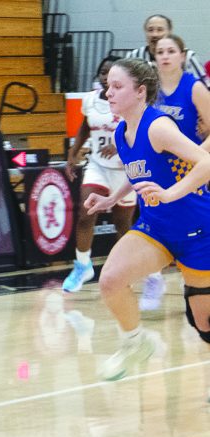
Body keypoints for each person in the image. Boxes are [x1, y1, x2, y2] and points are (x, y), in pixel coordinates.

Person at [83, 58, 210, 381]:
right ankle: (135, 343)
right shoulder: (123, 131)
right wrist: (113, 198)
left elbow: (206, 163)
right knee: (111, 279)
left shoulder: (159, 126)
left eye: (117, 86)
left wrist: (171, 193)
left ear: (140, 92)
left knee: (204, 322)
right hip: (156, 228)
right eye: (107, 86)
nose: (108, 93)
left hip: (199, 230)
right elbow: (140, 170)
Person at [134, 35, 210, 310]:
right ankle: (154, 278)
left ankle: (198, 286)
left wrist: (198, 154)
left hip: (190, 166)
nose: (164, 56)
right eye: (160, 51)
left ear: (182, 55)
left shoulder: (194, 87)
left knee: (194, 225)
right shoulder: (150, 89)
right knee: (153, 219)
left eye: (171, 51)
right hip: (158, 167)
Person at [63, 55, 136, 293]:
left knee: (122, 224)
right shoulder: (90, 100)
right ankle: (83, 266)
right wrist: (73, 153)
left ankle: (122, 270)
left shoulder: (132, 100)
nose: (106, 77)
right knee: (85, 213)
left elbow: (140, 131)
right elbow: (85, 127)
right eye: (103, 72)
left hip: (124, 171)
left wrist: (118, 144)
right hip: (98, 166)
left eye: (112, 73)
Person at [126, 14, 209, 88]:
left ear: (170, 32)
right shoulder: (134, 56)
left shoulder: (188, 57)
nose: (155, 34)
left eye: (160, 30)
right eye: (150, 30)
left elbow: (205, 85)